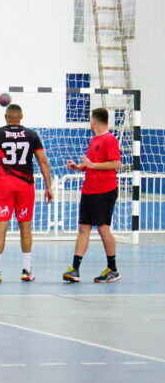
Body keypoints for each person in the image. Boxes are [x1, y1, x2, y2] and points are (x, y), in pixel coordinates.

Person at [0, 103, 53, 282]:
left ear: (6, 117)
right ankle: (27, 270)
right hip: (26, 187)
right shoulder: (32, 135)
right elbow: (43, 161)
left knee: (1, 228)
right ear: (21, 116)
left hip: (4, 187)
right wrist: (49, 187)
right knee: (25, 227)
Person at [63, 107, 122, 283]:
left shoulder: (109, 140)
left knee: (103, 229)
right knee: (83, 228)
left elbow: (116, 164)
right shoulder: (94, 139)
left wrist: (93, 166)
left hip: (104, 191)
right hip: (89, 190)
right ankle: (75, 269)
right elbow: (93, 163)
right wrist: (79, 167)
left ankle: (113, 269)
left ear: (94, 121)